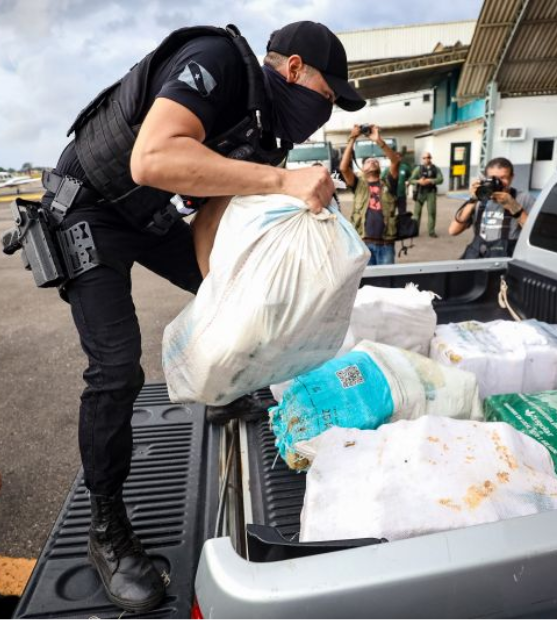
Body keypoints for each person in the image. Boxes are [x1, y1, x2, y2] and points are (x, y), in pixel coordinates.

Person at [35, 21, 365, 613]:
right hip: (88, 209)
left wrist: (236, 299)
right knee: (115, 372)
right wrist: (281, 181)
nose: (329, 110)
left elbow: (211, 237)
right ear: (293, 69)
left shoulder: (264, 136)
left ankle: (219, 392)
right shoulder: (216, 61)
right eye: (328, 95)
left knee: (239, 293)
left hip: (144, 216)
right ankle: (106, 530)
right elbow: (153, 157)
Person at [448, 157, 535, 259]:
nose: (497, 182)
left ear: (512, 177)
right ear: (485, 178)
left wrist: (513, 206)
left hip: (505, 257)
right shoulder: (480, 198)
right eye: (493, 178)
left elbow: (534, 233)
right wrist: (472, 201)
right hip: (478, 254)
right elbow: (453, 231)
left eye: (503, 178)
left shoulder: (524, 198)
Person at [339, 124, 400, 265]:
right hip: (363, 245)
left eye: (375, 161)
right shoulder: (358, 185)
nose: (372, 161)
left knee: (387, 283)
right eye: (368, 161)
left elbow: (395, 161)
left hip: (386, 244)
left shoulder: (389, 183)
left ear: (379, 168)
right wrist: (352, 138)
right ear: (362, 168)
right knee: (367, 284)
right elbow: (343, 167)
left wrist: (378, 140)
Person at [409, 152, 443, 237]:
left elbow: (441, 179)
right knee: (417, 213)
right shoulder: (418, 169)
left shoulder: (436, 169)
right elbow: (411, 180)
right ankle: (415, 231)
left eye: (428, 157)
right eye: (424, 158)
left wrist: (430, 180)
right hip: (420, 192)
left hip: (431, 192)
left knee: (431, 212)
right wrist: (419, 181)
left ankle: (431, 231)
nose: (426, 159)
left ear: (430, 158)